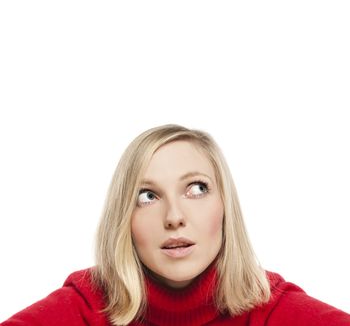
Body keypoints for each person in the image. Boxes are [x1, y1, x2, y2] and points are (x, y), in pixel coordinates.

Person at [1, 124, 349, 326]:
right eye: (147, 196)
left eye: (196, 189)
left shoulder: (270, 309)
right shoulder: (86, 306)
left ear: (225, 207)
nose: (174, 216)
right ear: (123, 217)